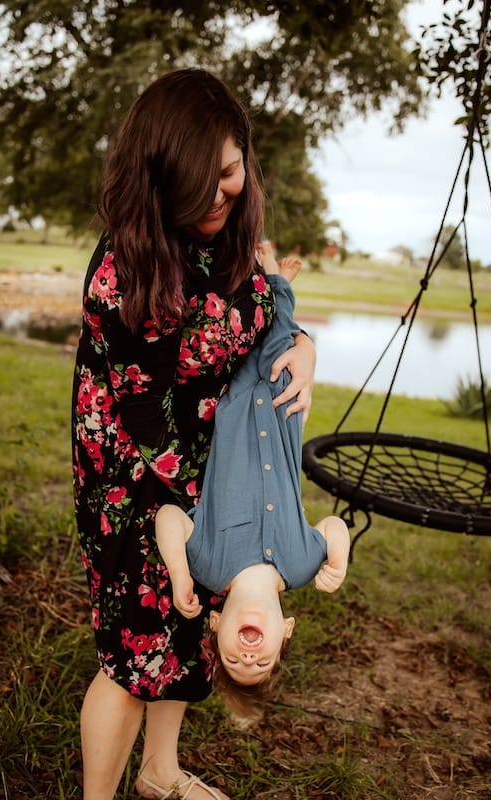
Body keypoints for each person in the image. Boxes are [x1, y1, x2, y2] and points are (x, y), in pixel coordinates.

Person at [71, 69, 317, 800]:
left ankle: (159, 772)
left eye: (230, 174)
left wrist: (299, 342)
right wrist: (216, 516)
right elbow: (146, 418)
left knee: (185, 628)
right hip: (134, 474)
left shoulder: (232, 240)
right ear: (156, 177)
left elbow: (261, 328)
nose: (218, 196)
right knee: (134, 649)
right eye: (197, 184)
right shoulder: (123, 272)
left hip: (209, 472)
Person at [155, 242, 350, 720]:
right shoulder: (302, 566)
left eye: (233, 659)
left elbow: (169, 517)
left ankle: (267, 279)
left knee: (245, 331)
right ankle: (275, 283)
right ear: (285, 632)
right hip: (285, 410)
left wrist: (179, 573)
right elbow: (333, 528)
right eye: (261, 662)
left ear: (216, 624)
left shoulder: (208, 567)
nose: (248, 655)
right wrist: (339, 561)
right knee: (282, 346)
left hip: (233, 402)